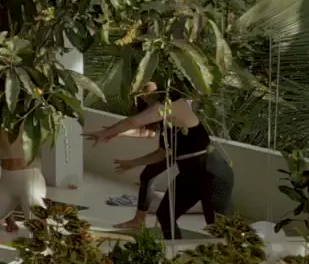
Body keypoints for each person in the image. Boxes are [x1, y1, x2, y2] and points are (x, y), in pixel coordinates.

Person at [87, 81, 233, 239]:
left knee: (217, 227)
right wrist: (132, 163)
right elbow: (161, 153)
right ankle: (174, 248)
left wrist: (106, 133)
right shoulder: (167, 123)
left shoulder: (177, 105)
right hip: (189, 174)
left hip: (212, 172)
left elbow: (133, 121)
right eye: (143, 95)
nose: (145, 97)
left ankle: (228, 253)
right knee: (165, 215)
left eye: (148, 93)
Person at [0, 128, 45, 244]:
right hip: (7, 181)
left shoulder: (23, 118)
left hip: (29, 179)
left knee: (40, 232)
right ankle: (1, 254)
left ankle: (47, 254)